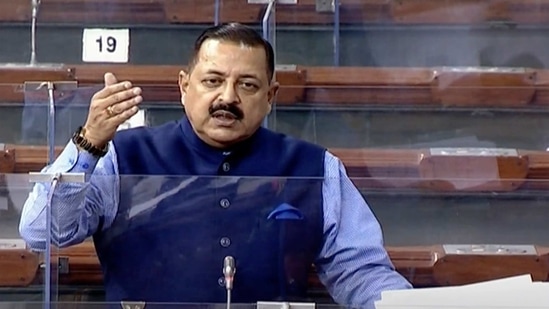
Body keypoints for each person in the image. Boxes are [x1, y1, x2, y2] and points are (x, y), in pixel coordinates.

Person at [19, 23, 412, 308]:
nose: (228, 97)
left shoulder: (314, 167)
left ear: (271, 95)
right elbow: (42, 232)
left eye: (248, 85)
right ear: (184, 86)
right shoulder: (121, 157)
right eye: (213, 81)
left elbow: (360, 272)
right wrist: (88, 144)